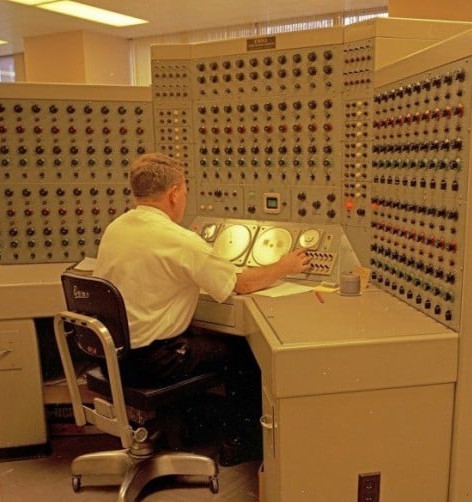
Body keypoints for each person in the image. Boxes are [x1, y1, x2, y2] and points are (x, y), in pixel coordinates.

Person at [93, 152, 310, 465]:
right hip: (155, 361)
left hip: (116, 355)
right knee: (243, 351)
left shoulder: (117, 228)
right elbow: (242, 284)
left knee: (203, 341)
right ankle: (241, 443)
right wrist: (284, 266)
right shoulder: (178, 240)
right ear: (175, 193)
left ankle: (192, 427)